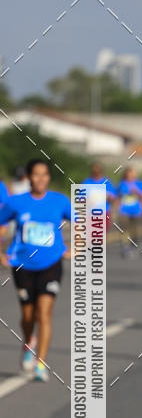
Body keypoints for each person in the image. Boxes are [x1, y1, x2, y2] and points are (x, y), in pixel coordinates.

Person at [0, 158, 71, 382]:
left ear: (49, 177)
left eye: (45, 174)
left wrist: (76, 247)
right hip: (23, 265)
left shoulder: (60, 201)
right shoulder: (16, 202)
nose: (41, 179)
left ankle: (41, 363)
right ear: (29, 177)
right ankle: (28, 342)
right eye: (36, 174)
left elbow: (85, 222)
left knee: (44, 312)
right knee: (28, 315)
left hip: (51, 264)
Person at [117, 167, 142, 257]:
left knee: (135, 231)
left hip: (136, 211)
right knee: (125, 229)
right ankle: (125, 246)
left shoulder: (138, 184)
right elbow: (119, 194)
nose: (131, 176)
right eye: (129, 174)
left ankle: (133, 245)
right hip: (124, 211)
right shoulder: (122, 184)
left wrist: (137, 193)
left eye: (132, 174)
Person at [82, 162, 117, 229]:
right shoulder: (87, 182)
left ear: (101, 170)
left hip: (104, 212)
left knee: (103, 234)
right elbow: (81, 198)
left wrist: (108, 197)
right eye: (94, 170)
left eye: (98, 170)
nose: (96, 171)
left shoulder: (107, 182)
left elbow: (113, 198)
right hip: (90, 213)